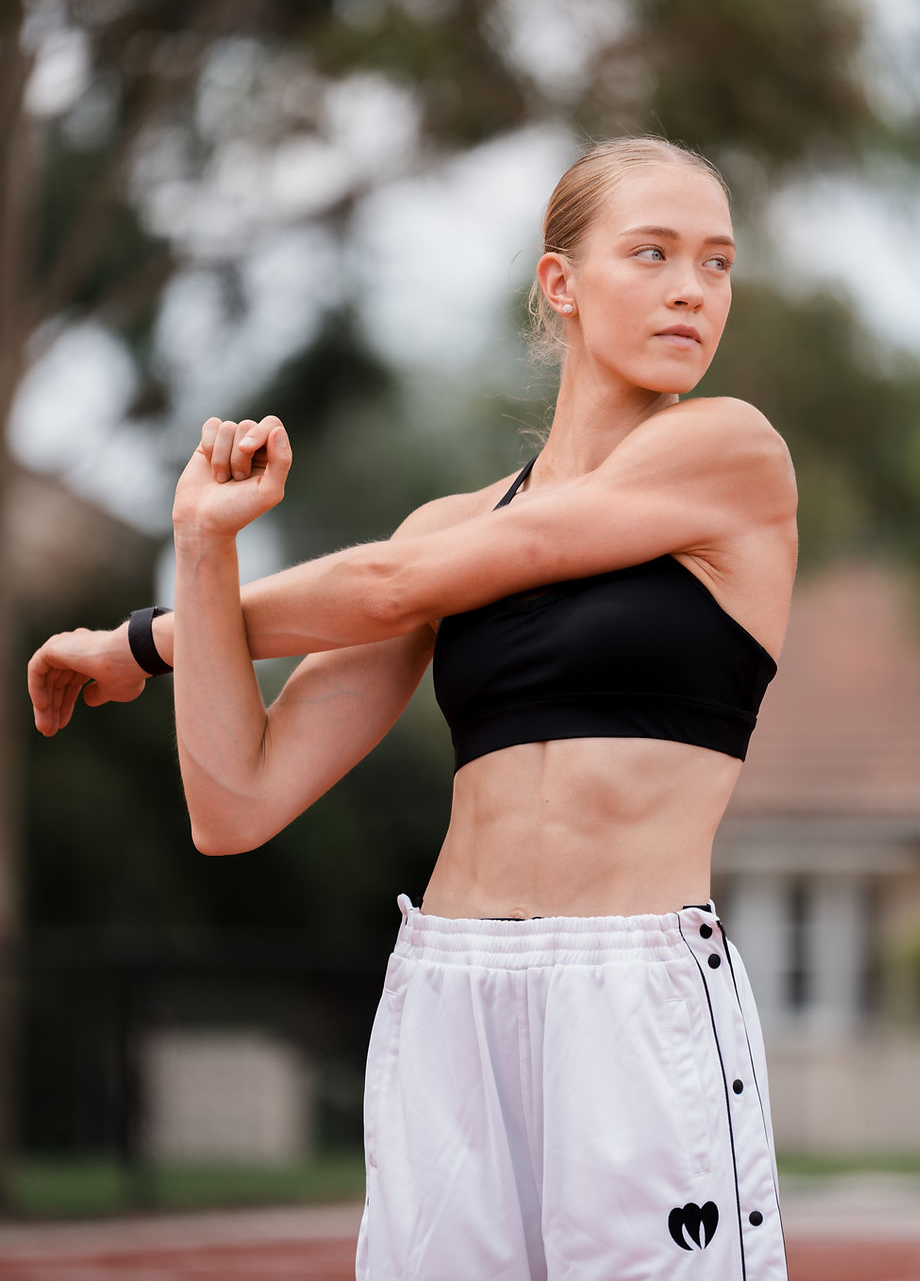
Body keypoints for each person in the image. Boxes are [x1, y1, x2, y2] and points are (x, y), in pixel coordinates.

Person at [28, 136, 797, 1280]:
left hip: (632, 1001)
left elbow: (386, 588)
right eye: (652, 253)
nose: (693, 288)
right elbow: (234, 804)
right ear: (561, 285)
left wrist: (139, 645)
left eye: (717, 262)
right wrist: (202, 544)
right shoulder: (449, 525)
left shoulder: (728, 455)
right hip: (448, 992)